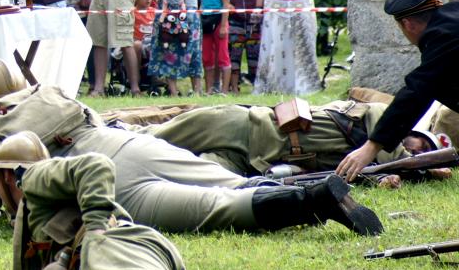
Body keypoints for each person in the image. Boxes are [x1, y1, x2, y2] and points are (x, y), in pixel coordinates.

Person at [0, 61, 383, 236]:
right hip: (130, 146)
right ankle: (311, 187)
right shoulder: (58, 97)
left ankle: (313, 200)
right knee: (233, 182)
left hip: (107, 183)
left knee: (217, 209)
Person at [0, 138, 194, 270]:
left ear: (6, 176)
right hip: (132, 252)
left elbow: (97, 165)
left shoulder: (34, 178)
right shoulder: (35, 211)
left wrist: (95, 236)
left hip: (115, 252)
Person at [337, 0, 459, 181]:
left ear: (407, 24)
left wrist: (372, 146)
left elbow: (417, 91)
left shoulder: (444, 36)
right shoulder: (452, 19)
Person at [141, 99, 436, 177]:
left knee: (181, 170)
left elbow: (385, 167)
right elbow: (390, 153)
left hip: (254, 163)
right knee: (151, 138)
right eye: (420, 145)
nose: (415, 150)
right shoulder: (379, 116)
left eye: (423, 152)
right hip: (250, 125)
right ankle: (105, 133)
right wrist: (422, 167)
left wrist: (411, 172)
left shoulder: (368, 165)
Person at [226, 0, 261, 92]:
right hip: (235, 22)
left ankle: (256, 85)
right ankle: (234, 86)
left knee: (255, 55)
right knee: (235, 55)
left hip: (255, 22)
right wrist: (227, 5)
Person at [199, 0, 231, 94]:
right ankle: (209, 89)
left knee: (223, 55)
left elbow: (225, 4)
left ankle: (224, 90)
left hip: (219, 20)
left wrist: (224, 25)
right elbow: (202, 2)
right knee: (207, 57)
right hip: (206, 20)